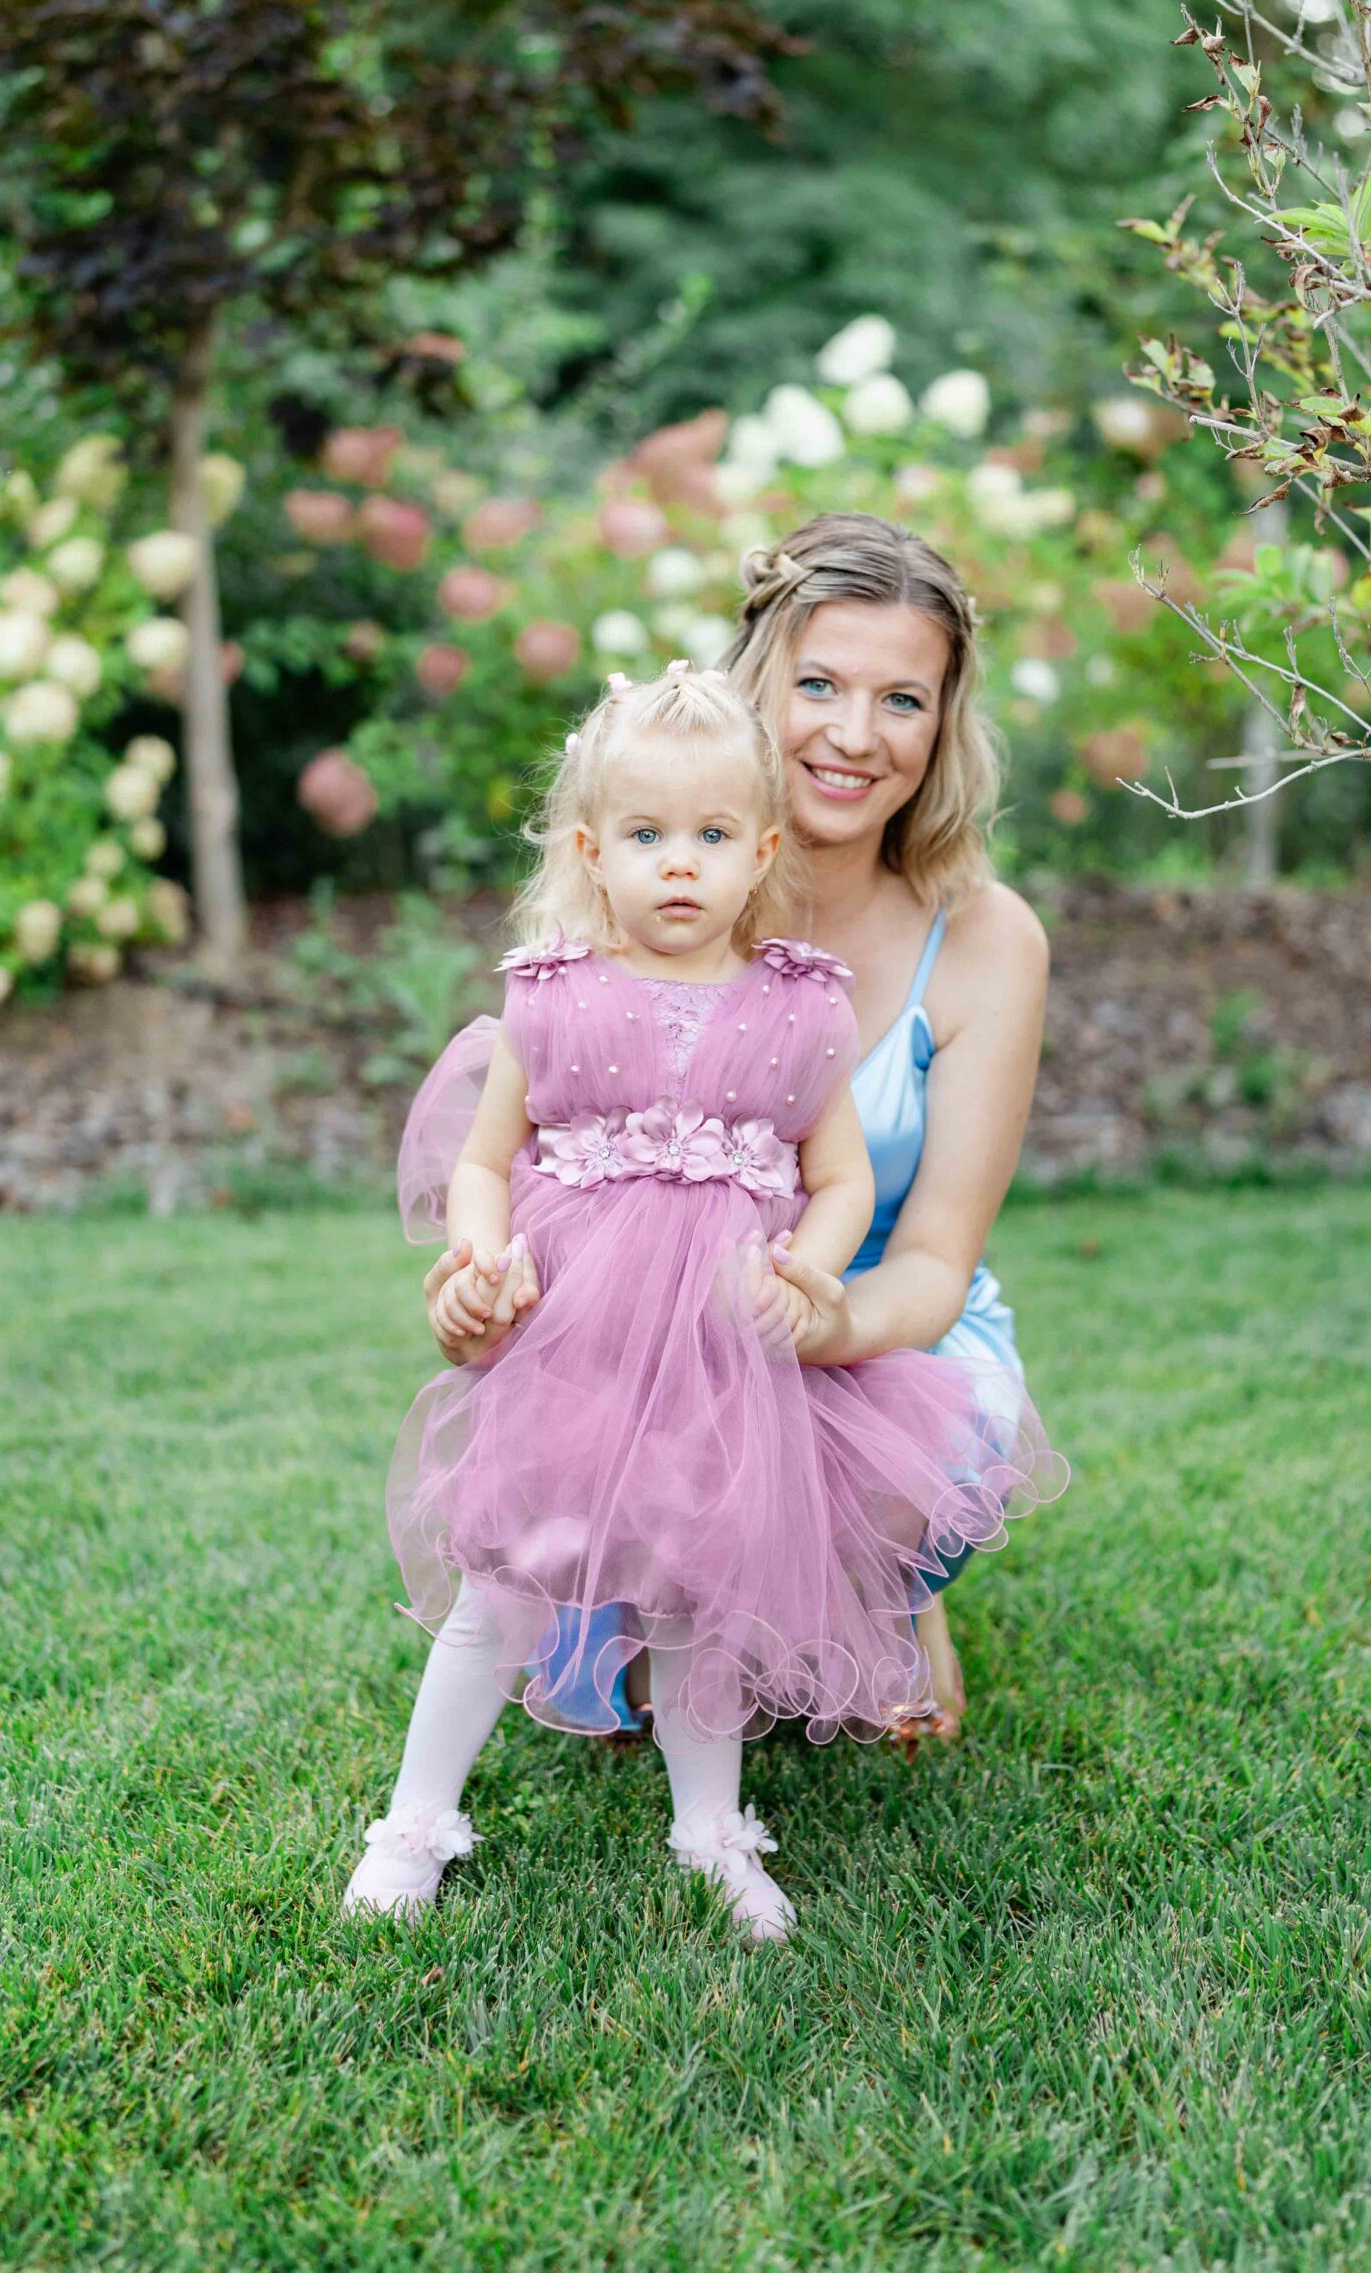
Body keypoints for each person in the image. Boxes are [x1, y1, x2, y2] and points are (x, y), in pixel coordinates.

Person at [344, 661, 1063, 1942]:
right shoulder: (552, 993)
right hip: (576, 1350)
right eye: (646, 835)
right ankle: (414, 1821)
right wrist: (481, 1253)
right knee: (508, 1580)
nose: (680, 864)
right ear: (590, 850)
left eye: (715, 836)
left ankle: (712, 1831)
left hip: (725, 1358)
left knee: (702, 1594)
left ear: (762, 851)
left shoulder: (798, 1006)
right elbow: (484, 1159)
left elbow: (840, 1178)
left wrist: (811, 1268)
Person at [421, 512, 1054, 1742]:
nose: (854, 735)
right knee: (627, 1666)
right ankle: (688, 1615)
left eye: (903, 700)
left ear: (944, 725)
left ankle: (889, 1586)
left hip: (870, 1328)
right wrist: (490, 1285)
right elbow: (533, 1171)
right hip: (653, 1332)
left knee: (871, 1501)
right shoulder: (643, 902)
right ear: (754, 682)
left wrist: (820, 1324)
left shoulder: (988, 941)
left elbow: (937, 1257)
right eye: (819, 684)